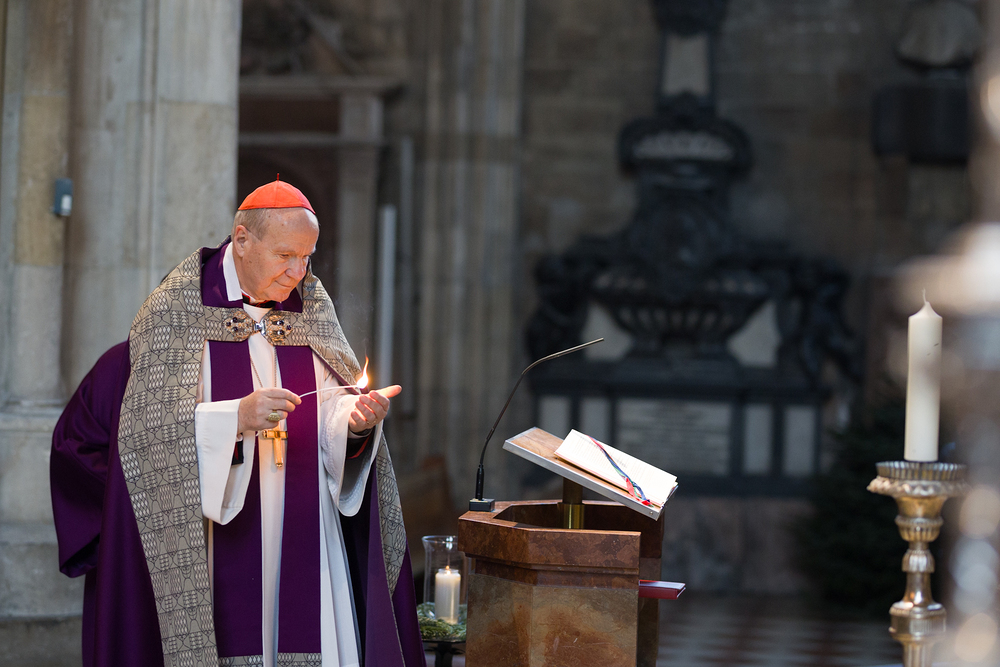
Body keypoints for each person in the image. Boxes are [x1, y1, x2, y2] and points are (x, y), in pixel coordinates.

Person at [51, 179, 424, 667]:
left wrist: (353, 425)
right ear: (243, 239)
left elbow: (330, 405)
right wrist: (236, 419)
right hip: (210, 539)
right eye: (285, 255)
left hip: (307, 536)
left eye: (307, 257)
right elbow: (148, 439)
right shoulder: (175, 312)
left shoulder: (312, 308)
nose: (298, 272)